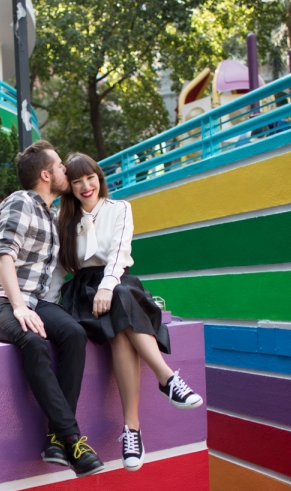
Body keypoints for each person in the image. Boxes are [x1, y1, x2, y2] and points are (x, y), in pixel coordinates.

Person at [58, 152, 202, 472]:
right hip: (83, 292)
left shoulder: (120, 208)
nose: (86, 186)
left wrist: (108, 287)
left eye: (90, 177)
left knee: (120, 309)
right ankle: (165, 383)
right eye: (77, 181)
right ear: (69, 187)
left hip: (119, 282)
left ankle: (132, 429)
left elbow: (119, 252)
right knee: (120, 331)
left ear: (99, 177)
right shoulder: (65, 220)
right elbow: (59, 269)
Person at [0, 140, 104, 477]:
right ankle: (72, 438)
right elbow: (4, 254)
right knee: (32, 341)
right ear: (46, 174)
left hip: (35, 302)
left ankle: (54, 441)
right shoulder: (21, 202)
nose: (66, 170)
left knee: (74, 333)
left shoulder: (51, 215)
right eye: (61, 166)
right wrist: (17, 306)